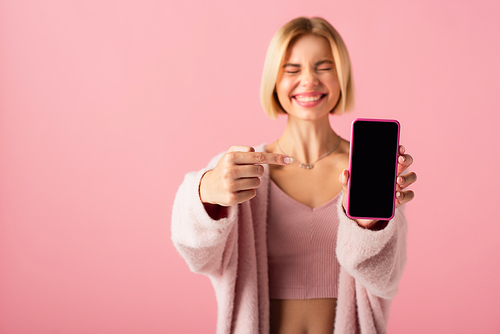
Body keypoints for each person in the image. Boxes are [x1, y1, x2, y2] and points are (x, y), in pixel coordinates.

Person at [171, 16, 416, 334]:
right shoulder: (237, 172)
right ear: (274, 80)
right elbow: (198, 256)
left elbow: (386, 280)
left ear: (341, 77)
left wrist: (369, 227)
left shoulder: (369, 171)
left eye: (324, 66)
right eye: (292, 69)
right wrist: (205, 193)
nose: (309, 80)